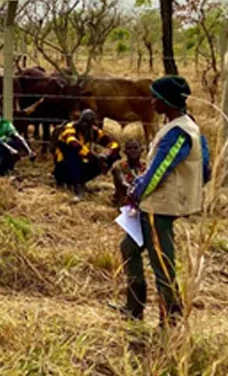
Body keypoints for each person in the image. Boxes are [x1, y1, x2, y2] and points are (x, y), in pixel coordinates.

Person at [115, 76, 210, 326]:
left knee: (162, 262)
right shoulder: (184, 126)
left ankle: (171, 317)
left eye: (156, 97)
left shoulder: (178, 132)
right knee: (128, 248)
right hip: (154, 202)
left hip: (160, 205)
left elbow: (160, 169)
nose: (152, 101)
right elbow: (207, 169)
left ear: (167, 102)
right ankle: (133, 308)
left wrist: (137, 192)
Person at [53, 109, 120, 200]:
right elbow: (73, 143)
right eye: (83, 120)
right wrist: (95, 158)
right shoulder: (70, 127)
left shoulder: (93, 131)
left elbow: (114, 143)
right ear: (79, 119)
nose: (84, 124)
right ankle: (78, 189)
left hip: (81, 167)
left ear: (92, 124)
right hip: (63, 168)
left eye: (87, 122)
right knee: (73, 151)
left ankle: (80, 182)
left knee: (114, 155)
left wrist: (106, 154)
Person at [0, 104, 32, 174]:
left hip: (3, 150)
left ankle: (8, 168)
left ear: (1, 116)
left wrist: (29, 151)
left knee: (14, 143)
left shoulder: (6, 124)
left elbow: (17, 136)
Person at [111, 139, 146, 207]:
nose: (132, 150)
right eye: (129, 148)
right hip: (124, 202)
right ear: (125, 152)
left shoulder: (146, 166)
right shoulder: (118, 166)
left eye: (136, 148)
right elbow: (123, 182)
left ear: (141, 150)